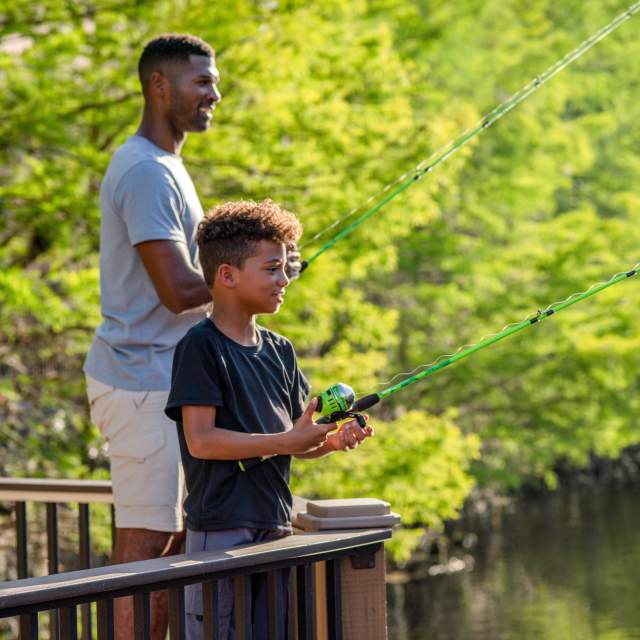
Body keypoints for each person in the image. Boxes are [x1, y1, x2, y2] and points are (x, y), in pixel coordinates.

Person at [164, 199, 374, 639]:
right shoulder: (199, 347)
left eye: (285, 269)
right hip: (220, 532)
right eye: (272, 268)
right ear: (227, 275)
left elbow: (298, 439)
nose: (284, 280)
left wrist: (331, 441)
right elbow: (201, 440)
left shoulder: (280, 351)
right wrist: (285, 441)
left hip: (275, 527)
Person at [83, 34, 220, 640]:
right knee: (144, 550)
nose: (214, 94)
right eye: (202, 81)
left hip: (165, 383)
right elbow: (177, 290)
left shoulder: (167, 166)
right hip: (139, 386)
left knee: (174, 542)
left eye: (214, 82)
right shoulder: (143, 170)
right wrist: (242, 279)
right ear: (159, 85)